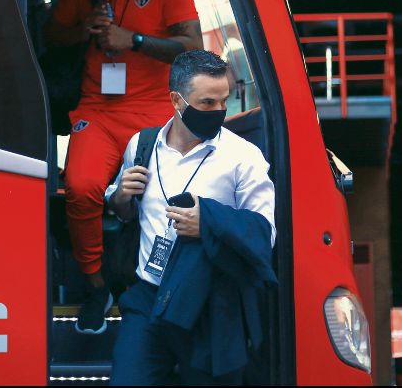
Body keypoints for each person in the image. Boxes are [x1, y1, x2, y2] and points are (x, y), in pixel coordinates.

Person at [44, 0, 202, 335]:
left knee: (165, 196)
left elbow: (192, 44)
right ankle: (96, 285)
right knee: (80, 187)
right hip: (97, 109)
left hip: (153, 109)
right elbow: (51, 36)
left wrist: (132, 40)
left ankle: (156, 286)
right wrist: (84, 31)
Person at [106, 50, 277, 385]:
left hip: (209, 305)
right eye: (207, 103)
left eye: (223, 100)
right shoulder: (142, 145)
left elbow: (265, 233)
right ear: (177, 100)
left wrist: (208, 225)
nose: (218, 111)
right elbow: (124, 213)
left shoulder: (243, 157)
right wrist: (120, 196)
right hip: (147, 298)